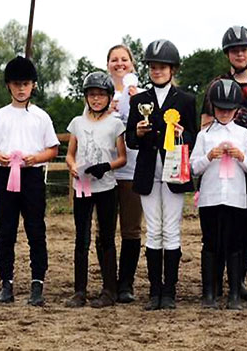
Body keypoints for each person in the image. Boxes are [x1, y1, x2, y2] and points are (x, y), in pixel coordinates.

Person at [200, 25, 247, 303]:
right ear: (227, 54)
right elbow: (206, 123)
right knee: (218, 225)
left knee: (246, 223)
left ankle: (238, 278)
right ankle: (215, 280)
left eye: (243, 49)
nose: (239, 54)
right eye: (234, 50)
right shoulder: (216, 85)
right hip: (220, 167)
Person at [126, 39, 198, 311]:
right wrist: (139, 133)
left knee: (171, 229)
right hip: (148, 170)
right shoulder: (139, 101)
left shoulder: (186, 100)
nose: (157, 71)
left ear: (173, 69)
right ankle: (154, 291)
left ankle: (169, 291)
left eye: (162, 67)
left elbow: (195, 135)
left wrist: (183, 134)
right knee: (153, 230)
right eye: (153, 67)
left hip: (174, 170)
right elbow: (131, 138)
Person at [0, 56, 60, 306]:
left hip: (32, 176)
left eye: (25, 83)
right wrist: (0, 157)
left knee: (35, 230)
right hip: (5, 175)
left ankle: (37, 282)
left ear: (33, 86)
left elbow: (52, 149)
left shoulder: (41, 117)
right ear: (8, 85)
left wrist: (35, 158)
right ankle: (6, 282)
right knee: (5, 230)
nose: (21, 88)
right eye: (16, 84)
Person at [191, 79, 247, 310]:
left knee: (234, 244)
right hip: (210, 197)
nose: (224, 113)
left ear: (236, 110)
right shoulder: (204, 135)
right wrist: (209, 156)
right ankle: (209, 293)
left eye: (228, 110)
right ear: (213, 108)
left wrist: (241, 156)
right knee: (210, 243)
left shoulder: (243, 134)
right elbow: (192, 167)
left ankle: (234, 294)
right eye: (220, 109)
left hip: (235, 197)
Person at [65, 72, 127, 308]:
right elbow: (71, 153)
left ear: (109, 97)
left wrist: (106, 166)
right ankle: (79, 290)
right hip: (82, 185)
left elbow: (122, 158)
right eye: (92, 95)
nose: (96, 99)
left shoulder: (115, 124)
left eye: (101, 95)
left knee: (107, 237)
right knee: (81, 238)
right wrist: (72, 166)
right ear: (86, 97)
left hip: (106, 186)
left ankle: (109, 289)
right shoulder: (77, 123)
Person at [107, 44, 145, 303]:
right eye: (114, 60)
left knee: (131, 230)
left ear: (132, 64)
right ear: (107, 64)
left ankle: (126, 284)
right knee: (105, 230)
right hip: (106, 172)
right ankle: (109, 283)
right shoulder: (98, 95)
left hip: (132, 170)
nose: (119, 64)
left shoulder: (142, 95)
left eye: (124, 59)